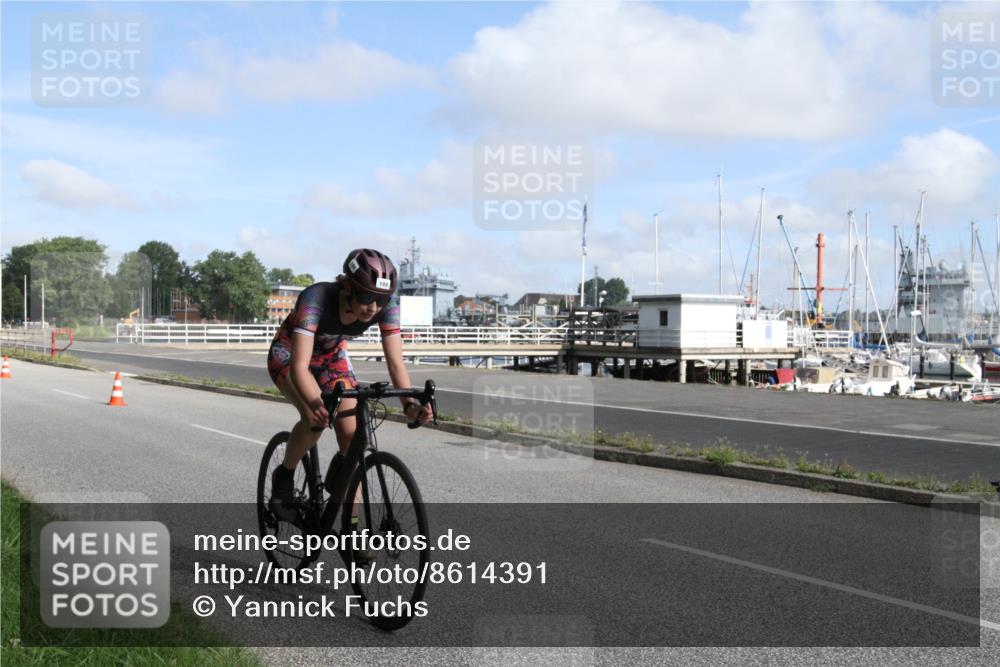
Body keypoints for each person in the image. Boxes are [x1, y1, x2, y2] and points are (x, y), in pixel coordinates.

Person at [267, 248, 432, 518]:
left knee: (351, 435)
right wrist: (314, 402)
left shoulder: (386, 307)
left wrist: (410, 404)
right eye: (367, 297)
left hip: (332, 358)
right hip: (290, 355)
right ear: (347, 287)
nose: (373, 307)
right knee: (314, 418)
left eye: (381, 300)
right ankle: (284, 475)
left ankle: (351, 527)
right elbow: (299, 367)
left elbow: (396, 364)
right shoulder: (316, 298)